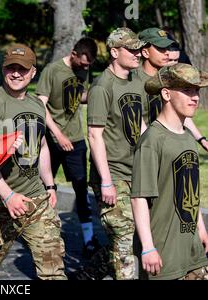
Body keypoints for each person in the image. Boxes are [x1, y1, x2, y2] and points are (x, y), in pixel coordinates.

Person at [0, 43, 67, 280]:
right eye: (11, 68)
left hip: (36, 200)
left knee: (53, 267)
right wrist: (8, 195)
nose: (16, 73)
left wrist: (50, 185)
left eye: (22, 69)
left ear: (33, 72)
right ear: (3, 70)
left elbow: (41, 146)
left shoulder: (36, 105)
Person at [131, 63, 208, 280]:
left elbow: (190, 191)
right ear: (166, 93)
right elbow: (139, 199)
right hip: (164, 252)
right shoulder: (152, 141)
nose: (195, 97)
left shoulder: (187, 138)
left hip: (192, 249)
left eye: (196, 91)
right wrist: (147, 247)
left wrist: (200, 227)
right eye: (186, 90)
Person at [86, 27, 147, 279]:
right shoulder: (102, 86)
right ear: (114, 52)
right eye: (131, 50)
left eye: (138, 49)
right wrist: (106, 182)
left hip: (138, 171)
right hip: (113, 174)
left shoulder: (138, 80)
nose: (137, 54)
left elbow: (142, 123)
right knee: (124, 236)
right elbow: (94, 135)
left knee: (140, 238)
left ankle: (91, 272)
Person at [36, 37, 100, 258]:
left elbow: (76, 97)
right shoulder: (52, 71)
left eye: (88, 65)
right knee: (45, 190)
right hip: (51, 140)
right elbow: (40, 105)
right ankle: (42, 237)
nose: (85, 68)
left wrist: (93, 97)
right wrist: (58, 133)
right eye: (82, 63)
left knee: (81, 190)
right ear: (73, 54)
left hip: (76, 139)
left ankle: (89, 240)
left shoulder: (85, 69)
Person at [138, 28, 208, 153]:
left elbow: (179, 112)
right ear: (145, 52)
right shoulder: (133, 80)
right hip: (144, 150)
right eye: (161, 48)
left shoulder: (169, 79)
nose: (167, 53)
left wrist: (201, 139)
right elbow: (135, 120)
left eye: (168, 48)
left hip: (165, 148)